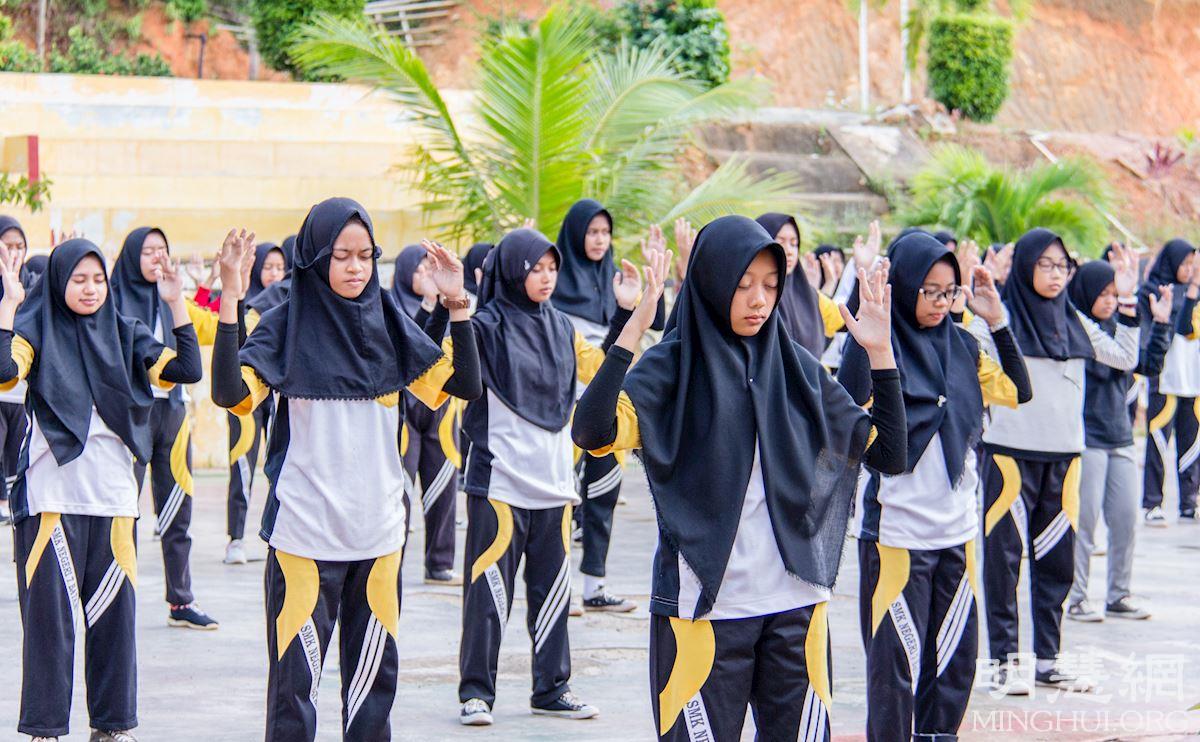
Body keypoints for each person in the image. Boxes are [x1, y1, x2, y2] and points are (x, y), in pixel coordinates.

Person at [572, 215, 908, 741]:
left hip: (795, 606)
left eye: (770, 286)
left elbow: (889, 454)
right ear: (711, 281)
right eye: (743, 284)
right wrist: (632, 330)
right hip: (702, 610)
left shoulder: (798, 369)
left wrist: (881, 354)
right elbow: (591, 430)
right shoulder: (670, 369)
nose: (759, 300)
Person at [211, 197, 481, 741]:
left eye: (365, 256)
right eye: (341, 256)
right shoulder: (285, 325)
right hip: (303, 538)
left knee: (372, 699)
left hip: (379, 538)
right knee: (294, 698)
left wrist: (456, 304)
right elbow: (230, 393)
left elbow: (464, 385)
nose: (356, 268)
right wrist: (231, 298)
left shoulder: (390, 322)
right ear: (316, 258)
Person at [1, 239, 202, 742]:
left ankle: (112, 727)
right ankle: (46, 729)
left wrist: (176, 302)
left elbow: (186, 371)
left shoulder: (125, 332)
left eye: (98, 280)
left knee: (115, 622)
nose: (90, 289)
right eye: (78, 279)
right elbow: (4, 374)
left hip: (113, 501)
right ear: (59, 282)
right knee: (50, 626)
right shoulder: (35, 329)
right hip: (50, 501)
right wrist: (9, 306)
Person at [838, 231, 1031, 741]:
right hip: (897, 535)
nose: (942, 303)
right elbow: (848, 398)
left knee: (954, 664)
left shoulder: (964, 346)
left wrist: (996, 321)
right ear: (904, 288)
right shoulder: (883, 346)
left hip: (957, 533)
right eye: (930, 291)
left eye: (950, 292)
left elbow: (1018, 390)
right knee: (894, 670)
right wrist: (869, 333)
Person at [458, 226, 640, 725]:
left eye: (552, 268)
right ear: (511, 270)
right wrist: (452, 306)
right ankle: (476, 693)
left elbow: (603, 372)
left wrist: (624, 312)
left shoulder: (563, 328)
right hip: (499, 484)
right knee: (488, 597)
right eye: (535, 268)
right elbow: (457, 376)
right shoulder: (484, 326)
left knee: (554, 595)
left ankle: (552, 688)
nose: (546, 277)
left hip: (554, 485)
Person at [976, 228, 1140, 694]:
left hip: (1064, 459)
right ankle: (1004, 663)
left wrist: (1128, 301)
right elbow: (971, 349)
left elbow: (1124, 358)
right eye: (1045, 265)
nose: (1055, 274)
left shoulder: (1075, 320)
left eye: (1062, 266)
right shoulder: (1001, 313)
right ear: (1026, 267)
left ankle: (1048, 660)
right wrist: (986, 307)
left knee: (1056, 565)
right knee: (1004, 564)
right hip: (1009, 456)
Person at [550, 199, 663, 613]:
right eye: (592, 232)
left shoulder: (617, 280)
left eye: (605, 233)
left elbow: (656, 323)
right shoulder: (554, 287)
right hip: (565, 411)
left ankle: (594, 586)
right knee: (562, 500)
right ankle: (559, 587)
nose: (600, 240)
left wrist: (639, 294)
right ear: (575, 235)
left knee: (603, 496)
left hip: (608, 410)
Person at [109, 227, 221, 630]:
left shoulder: (173, 299)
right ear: (131, 257)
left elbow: (210, 328)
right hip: (129, 416)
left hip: (172, 414)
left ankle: (181, 600)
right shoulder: (110, 302)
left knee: (177, 509)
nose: (157, 257)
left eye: (163, 250)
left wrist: (223, 288)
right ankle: (118, 598)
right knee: (124, 510)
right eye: (148, 251)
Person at [1066, 255, 1174, 623]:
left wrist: (1161, 323)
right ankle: (1076, 597)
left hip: (1120, 436)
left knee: (1125, 521)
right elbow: (1114, 364)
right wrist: (1130, 321)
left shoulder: (1118, 326)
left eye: (1114, 294)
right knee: (1084, 522)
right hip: (1088, 438)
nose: (1110, 301)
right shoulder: (1076, 329)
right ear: (1085, 293)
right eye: (1103, 294)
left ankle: (1118, 594)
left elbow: (1146, 364)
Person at [391, 243, 463, 584]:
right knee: (400, 490)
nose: (424, 276)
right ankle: (392, 562)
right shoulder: (391, 309)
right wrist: (428, 304)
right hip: (404, 411)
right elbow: (408, 349)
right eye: (418, 270)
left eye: (428, 269)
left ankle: (439, 563)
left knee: (443, 485)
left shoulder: (449, 312)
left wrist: (443, 303)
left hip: (441, 410)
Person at [223, 240, 292, 565]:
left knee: (279, 464)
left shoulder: (290, 303)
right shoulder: (249, 305)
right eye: (268, 267)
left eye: (280, 267)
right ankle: (236, 538)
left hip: (278, 396)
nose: (275, 274)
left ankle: (276, 530)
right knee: (243, 465)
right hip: (248, 396)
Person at [1138, 239, 1200, 526]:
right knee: (1159, 443)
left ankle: (1189, 502)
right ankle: (1153, 502)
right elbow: (1181, 327)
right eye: (1184, 263)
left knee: (1192, 444)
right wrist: (1192, 291)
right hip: (1165, 380)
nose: (1189, 269)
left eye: (1192, 264)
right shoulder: (1155, 291)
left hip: (1193, 380)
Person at [753, 213, 844, 359]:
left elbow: (845, 322)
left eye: (794, 244)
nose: (789, 251)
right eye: (780, 241)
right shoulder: (751, 298)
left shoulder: (809, 296)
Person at [0, 216, 40, 524]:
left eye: (20, 246)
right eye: (7, 245)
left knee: (17, 458)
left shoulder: (35, 287)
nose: (14, 253)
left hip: (22, 392)